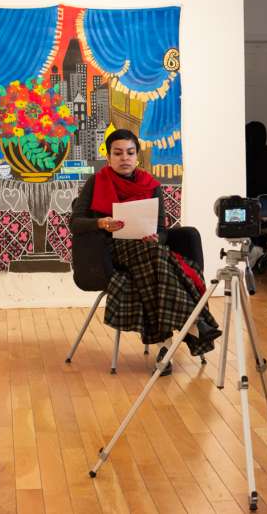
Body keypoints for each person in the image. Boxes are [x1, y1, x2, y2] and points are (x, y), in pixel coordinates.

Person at [70, 129, 221, 375]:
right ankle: (193, 324)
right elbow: (75, 223)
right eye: (117, 153)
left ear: (137, 156)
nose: (124, 158)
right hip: (109, 252)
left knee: (153, 258)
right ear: (108, 157)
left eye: (130, 153)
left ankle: (165, 348)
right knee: (157, 258)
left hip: (147, 251)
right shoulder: (96, 182)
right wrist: (100, 223)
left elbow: (161, 231)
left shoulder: (151, 186)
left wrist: (155, 236)